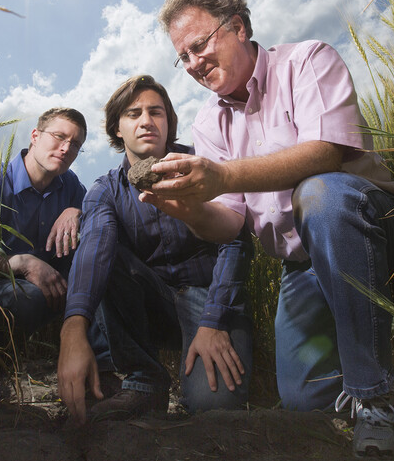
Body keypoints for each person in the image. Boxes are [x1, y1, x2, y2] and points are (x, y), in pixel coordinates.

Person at [144, 0, 394, 461]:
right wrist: (189, 210)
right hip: (300, 263)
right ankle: (352, 391)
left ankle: (377, 397)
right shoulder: (209, 122)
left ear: (238, 27)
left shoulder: (308, 60)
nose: (192, 64)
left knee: (320, 194)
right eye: (182, 57)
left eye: (199, 45)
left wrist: (223, 174)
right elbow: (229, 222)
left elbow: (328, 151)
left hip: (367, 225)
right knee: (303, 401)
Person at [57, 75, 253, 425]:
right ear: (118, 128)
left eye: (156, 112)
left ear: (169, 122)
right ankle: (145, 380)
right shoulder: (104, 190)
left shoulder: (205, 166)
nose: (146, 121)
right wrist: (73, 328)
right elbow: (96, 249)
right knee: (101, 250)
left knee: (213, 406)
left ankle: (210, 349)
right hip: (150, 307)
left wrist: (214, 320)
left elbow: (235, 239)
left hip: (209, 303)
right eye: (134, 114)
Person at [0, 107, 109, 369]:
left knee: (103, 263)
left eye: (76, 144)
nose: (66, 149)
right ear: (34, 135)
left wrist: (77, 210)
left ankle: (99, 372)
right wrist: (22, 263)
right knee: (26, 296)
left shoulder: (71, 185)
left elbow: (100, 217)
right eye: (59, 137)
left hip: (51, 283)